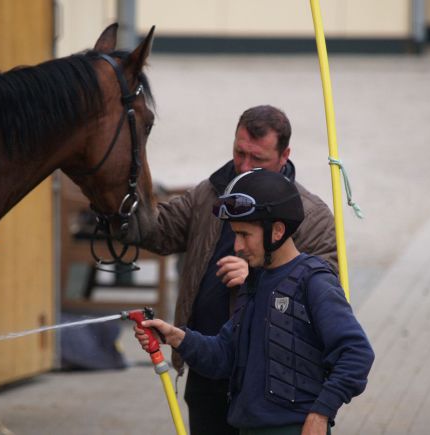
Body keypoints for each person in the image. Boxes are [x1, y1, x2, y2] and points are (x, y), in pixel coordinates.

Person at [136, 105, 338, 434]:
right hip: (209, 365)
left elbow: (329, 305)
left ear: (284, 155)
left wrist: (258, 278)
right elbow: (156, 231)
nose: (243, 167)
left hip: (270, 383)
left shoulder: (312, 215)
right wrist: (118, 198)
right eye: (238, 153)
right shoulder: (209, 193)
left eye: (257, 159)